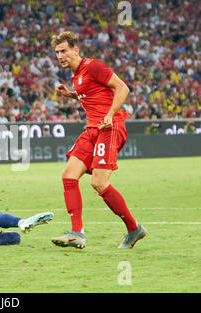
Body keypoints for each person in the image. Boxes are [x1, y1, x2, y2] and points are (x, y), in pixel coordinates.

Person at [49, 31, 147, 249]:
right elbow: (90, 93)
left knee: (99, 182)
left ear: (75, 49)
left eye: (64, 51)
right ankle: (77, 233)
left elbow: (123, 88)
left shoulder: (93, 66)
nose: (60, 56)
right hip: (92, 129)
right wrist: (70, 94)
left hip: (110, 127)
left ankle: (133, 229)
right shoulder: (76, 75)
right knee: (69, 176)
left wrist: (110, 114)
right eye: (57, 52)